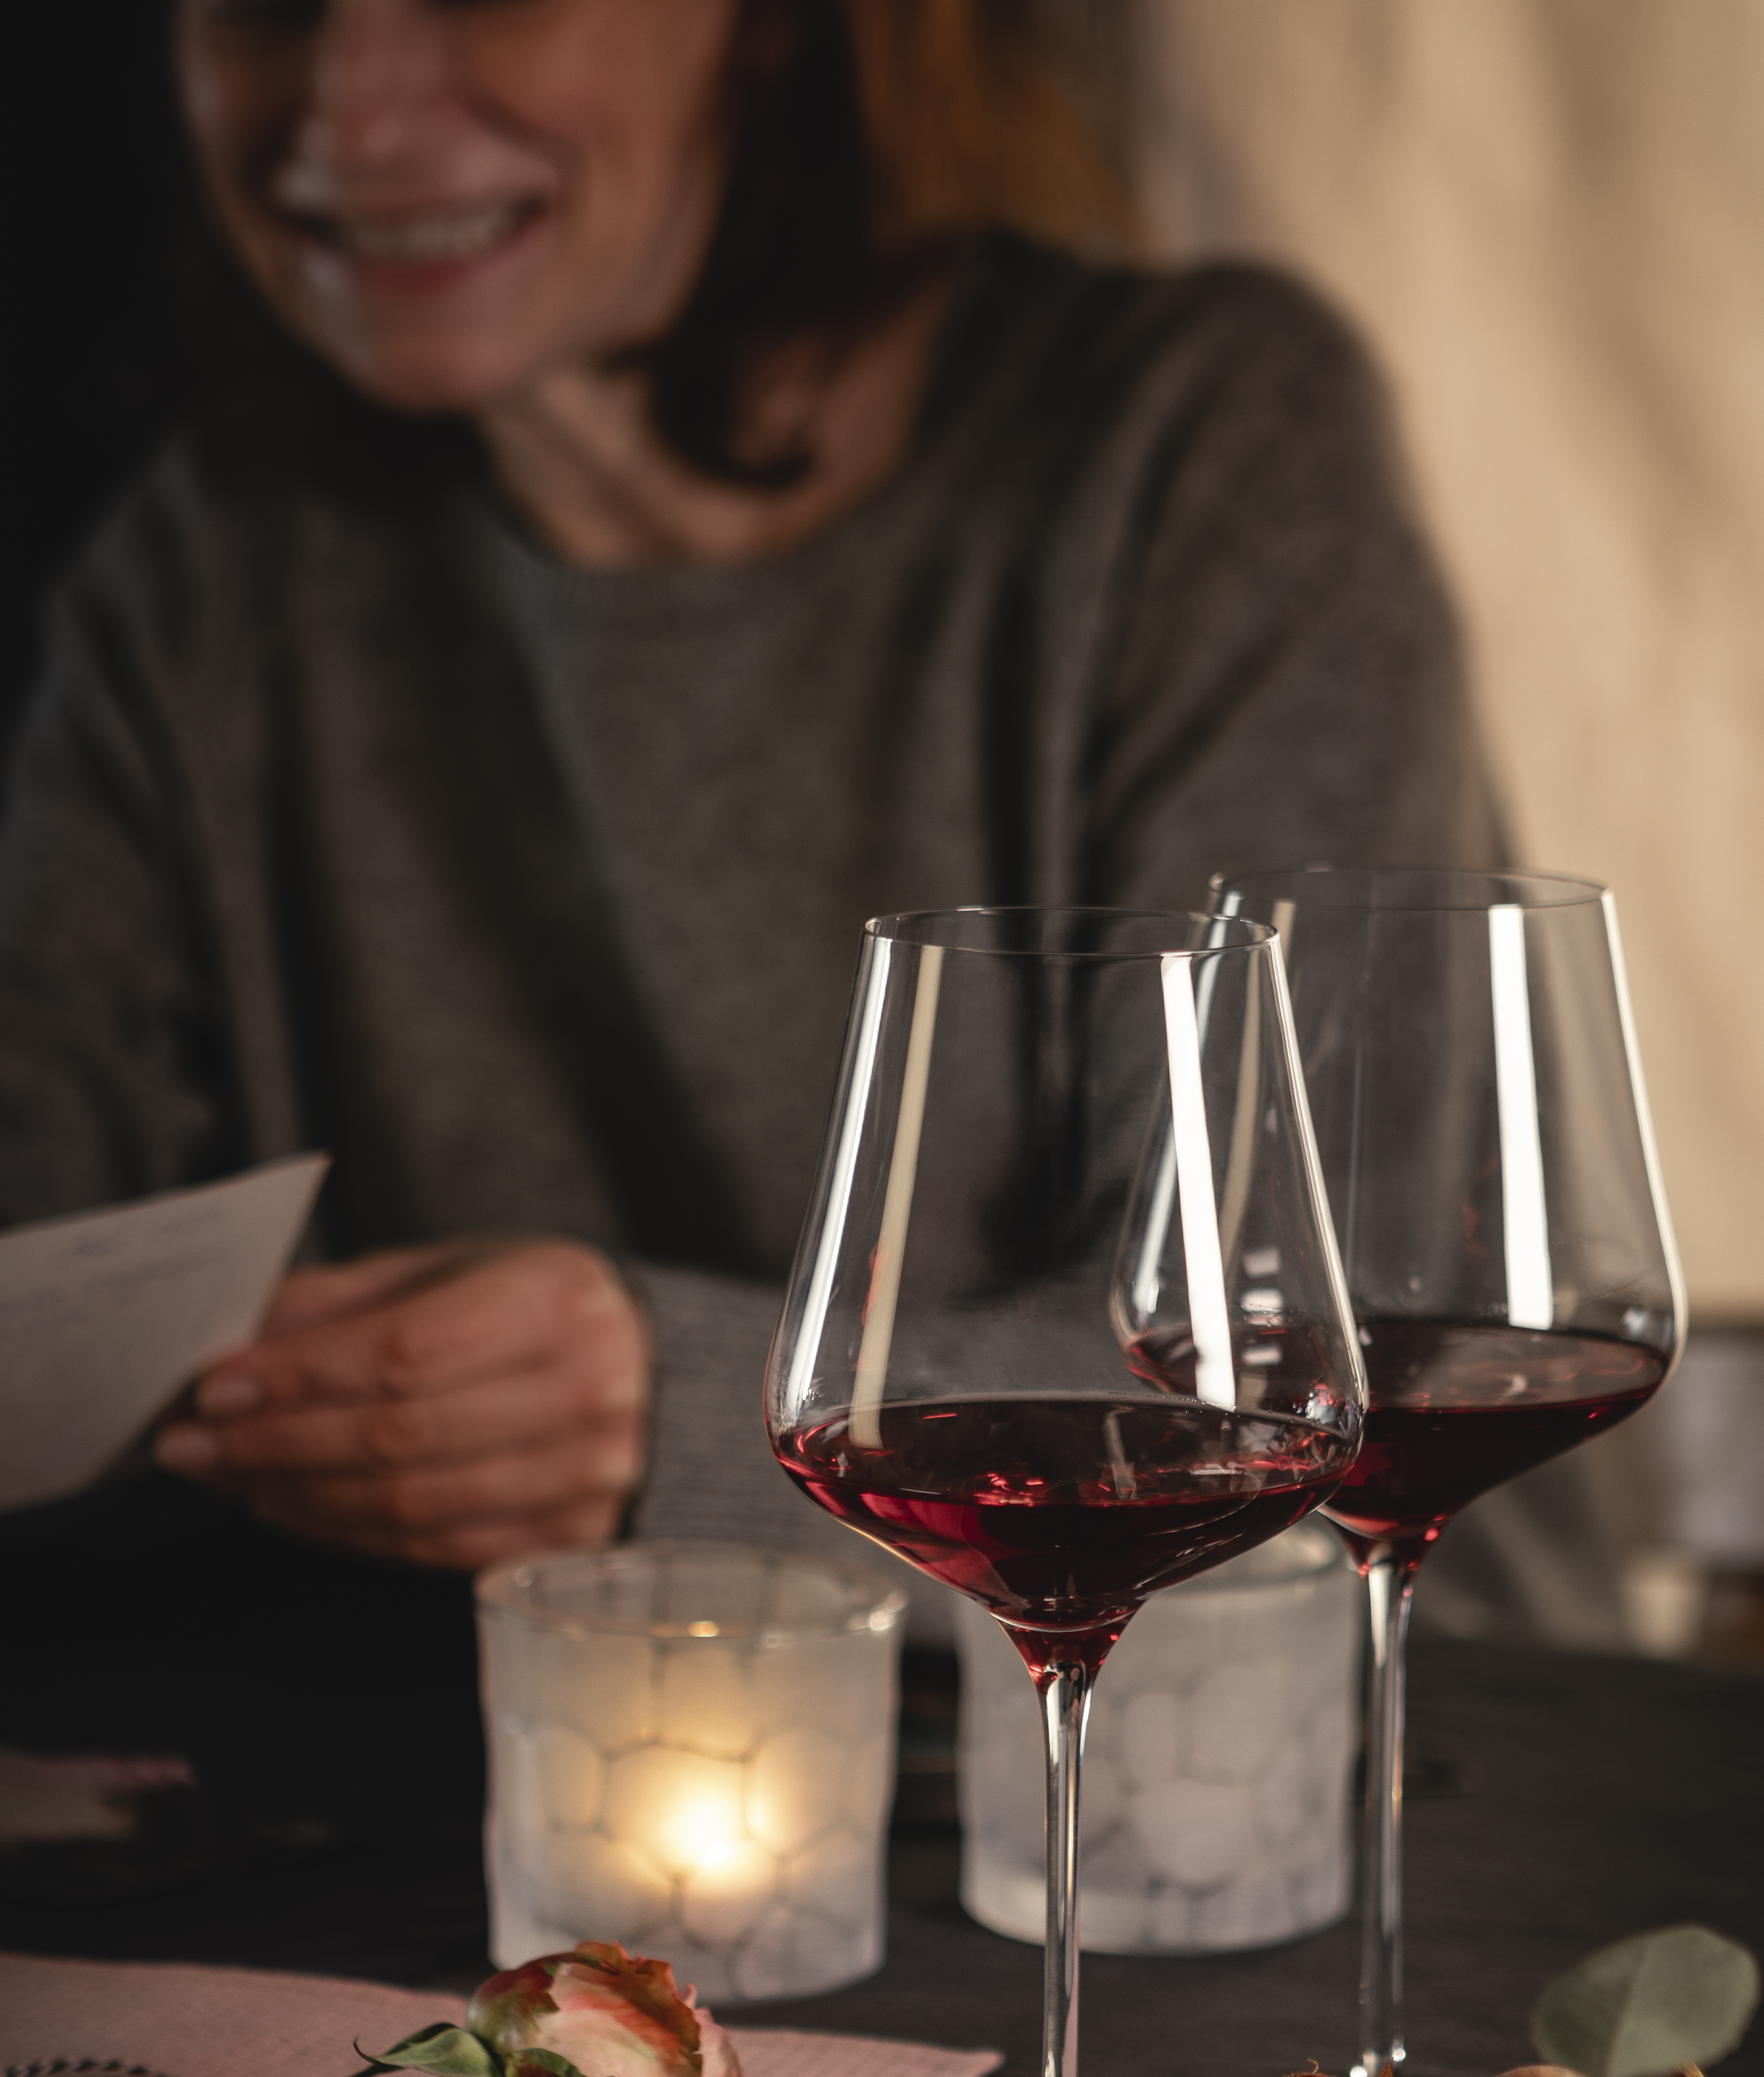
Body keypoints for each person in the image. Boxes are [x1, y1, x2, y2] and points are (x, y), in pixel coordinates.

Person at [0, 0, 1524, 1730]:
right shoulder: (202, 561)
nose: (346, 116)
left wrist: (687, 1410)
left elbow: (1308, 1372)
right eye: (264, 7)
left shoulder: (1192, 442)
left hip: (1355, 1769)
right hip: (552, 1779)